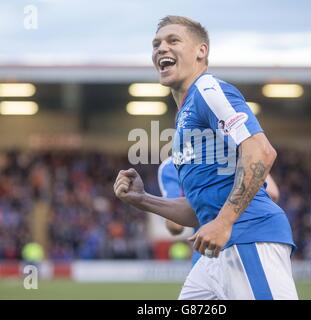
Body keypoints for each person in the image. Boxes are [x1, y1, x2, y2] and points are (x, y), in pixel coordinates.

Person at [114, 15, 298, 299]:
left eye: (173, 40)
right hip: (213, 255)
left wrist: (224, 222)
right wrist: (142, 199)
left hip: (248, 238)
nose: (161, 48)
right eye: (156, 44)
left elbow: (261, 151)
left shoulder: (208, 89)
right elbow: (196, 211)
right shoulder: (184, 119)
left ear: (201, 51)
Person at [157, 156, 281, 266]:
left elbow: (175, 226)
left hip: (209, 248)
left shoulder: (172, 165)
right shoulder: (240, 153)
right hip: (249, 242)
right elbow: (273, 194)